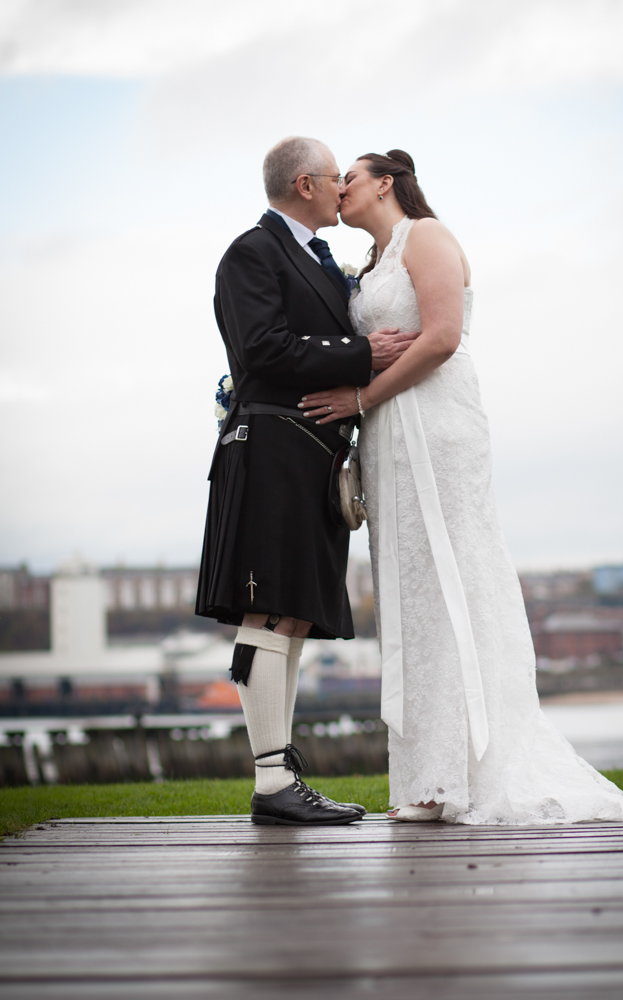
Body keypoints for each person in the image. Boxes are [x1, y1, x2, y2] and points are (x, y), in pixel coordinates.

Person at [296, 149, 623, 825]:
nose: (339, 188)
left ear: (385, 183)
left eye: (349, 177)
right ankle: (428, 780)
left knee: (456, 585)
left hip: (438, 426)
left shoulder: (430, 236)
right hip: (390, 439)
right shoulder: (371, 266)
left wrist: (359, 398)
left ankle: (474, 772)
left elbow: (442, 338)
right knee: (412, 598)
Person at [195, 137, 418, 825]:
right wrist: (361, 352)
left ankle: (278, 783)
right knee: (268, 608)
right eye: (333, 178)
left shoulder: (320, 258)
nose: (341, 188)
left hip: (308, 453)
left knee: (290, 612)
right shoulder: (252, 252)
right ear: (304, 183)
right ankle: (271, 783)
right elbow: (259, 349)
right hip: (270, 448)